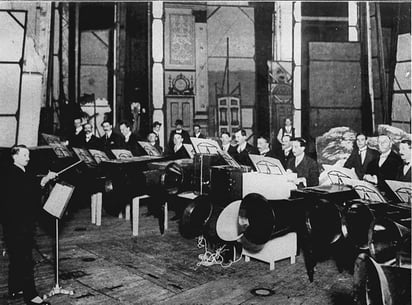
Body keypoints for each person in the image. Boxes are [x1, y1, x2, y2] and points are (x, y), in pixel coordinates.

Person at [2, 145, 56, 305]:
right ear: (15, 156)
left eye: (28, 155)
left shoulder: (18, 171)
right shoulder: (12, 172)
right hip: (18, 223)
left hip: (16, 223)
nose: (28, 158)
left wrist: (42, 180)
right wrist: (44, 181)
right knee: (25, 259)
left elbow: (29, 184)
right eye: (24, 155)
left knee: (17, 256)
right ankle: (31, 296)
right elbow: (26, 193)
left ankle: (15, 287)